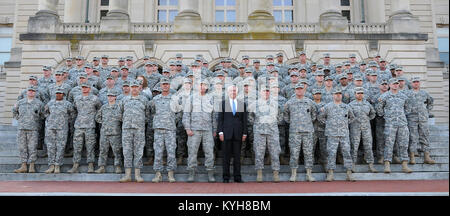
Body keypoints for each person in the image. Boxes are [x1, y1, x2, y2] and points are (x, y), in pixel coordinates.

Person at [183, 79, 217, 183]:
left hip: (208, 130)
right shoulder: (191, 98)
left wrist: (215, 129)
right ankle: (191, 172)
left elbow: (214, 115)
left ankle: (210, 172)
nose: (202, 87)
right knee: (192, 152)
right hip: (194, 130)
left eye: (204, 85)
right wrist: (187, 128)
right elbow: (186, 114)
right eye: (200, 85)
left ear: (207, 87)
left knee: (209, 152)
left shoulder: (211, 98)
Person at [376, 78, 413, 173]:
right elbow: (379, 108)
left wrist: (401, 115)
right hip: (390, 124)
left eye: (397, 83)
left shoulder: (403, 96)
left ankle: (404, 164)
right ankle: (387, 164)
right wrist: (386, 116)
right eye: (393, 84)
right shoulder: (384, 96)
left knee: (404, 144)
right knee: (388, 144)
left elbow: (408, 108)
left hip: (402, 123)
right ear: (389, 85)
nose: (396, 85)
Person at [319, 87, 356, 182]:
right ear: (333, 95)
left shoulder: (346, 107)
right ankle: (330, 173)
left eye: (339, 94)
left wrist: (344, 124)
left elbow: (352, 118)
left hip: (344, 134)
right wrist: (329, 124)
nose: (338, 95)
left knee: (347, 152)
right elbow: (320, 117)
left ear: (341, 95)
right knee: (331, 153)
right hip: (332, 134)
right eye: (336, 94)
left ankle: (349, 172)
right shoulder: (328, 107)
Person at [150, 78, 182, 183]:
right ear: (160, 86)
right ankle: (158, 174)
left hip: (170, 129)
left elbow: (179, 112)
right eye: (163, 84)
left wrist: (173, 120)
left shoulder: (175, 98)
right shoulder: (155, 99)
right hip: (158, 129)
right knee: (158, 152)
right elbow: (151, 112)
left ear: (169, 86)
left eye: (167, 84)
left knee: (171, 152)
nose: (165, 86)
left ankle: (170, 174)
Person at [284, 83, 317, 182]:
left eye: (301, 89)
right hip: (295, 132)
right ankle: (293, 173)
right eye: (297, 89)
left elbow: (314, 115)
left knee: (308, 153)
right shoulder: (289, 103)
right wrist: (294, 123)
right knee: (294, 153)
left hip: (307, 131)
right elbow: (286, 116)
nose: (299, 90)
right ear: (295, 90)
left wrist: (306, 123)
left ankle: (309, 173)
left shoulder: (310, 102)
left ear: (304, 90)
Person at [119, 81, 150, 183]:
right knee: (127, 151)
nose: (134, 89)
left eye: (136, 87)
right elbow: (120, 114)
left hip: (139, 130)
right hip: (127, 129)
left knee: (139, 151)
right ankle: (127, 175)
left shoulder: (144, 100)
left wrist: (139, 123)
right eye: (133, 87)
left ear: (140, 88)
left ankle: (137, 175)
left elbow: (147, 115)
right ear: (130, 88)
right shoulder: (124, 100)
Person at [68, 83, 102, 173]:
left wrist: (95, 118)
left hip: (90, 126)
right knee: (77, 147)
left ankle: (90, 165)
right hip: (78, 126)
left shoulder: (95, 99)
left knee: (90, 146)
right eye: (83, 87)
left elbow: (100, 109)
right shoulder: (77, 98)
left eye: (86, 87)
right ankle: (75, 165)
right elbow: (74, 110)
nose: (84, 89)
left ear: (90, 88)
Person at [217, 85, 248, 183]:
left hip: (238, 134)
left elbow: (244, 120)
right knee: (226, 157)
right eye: (231, 91)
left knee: (237, 157)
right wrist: (220, 132)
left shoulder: (242, 104)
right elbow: (220, 119)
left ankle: (237, 177)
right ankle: (226, 177)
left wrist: (245, 133)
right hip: (226, 133)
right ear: (228, 92)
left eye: (234, 91)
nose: (233, 92)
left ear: (237, 92)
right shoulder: (223, 104)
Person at [250, 86, 281, 183]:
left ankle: (276, 173)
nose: (266, 93)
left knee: (275, 153)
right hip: (259, 132)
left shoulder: (275, 104)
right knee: (259, 153)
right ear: (260, 92)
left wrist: (273, 124)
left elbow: (280, 116)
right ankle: (259, 173)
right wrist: (257, 124)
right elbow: (250, 117)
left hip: (272, 132)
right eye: (264, 91)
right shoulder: (255, 104)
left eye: (268, 91)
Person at [12, 86, 44, 173]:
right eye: (29, 91)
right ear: (26, 92)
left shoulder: (39, 103)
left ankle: (32, 166)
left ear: (35, 93)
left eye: (33, 91)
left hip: (33, 129)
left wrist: (36, 121)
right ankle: (23, 165)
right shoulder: (20, 102)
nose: (31, 92)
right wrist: (20, 119)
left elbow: (42, 115)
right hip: (22, 128)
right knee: (22, 147)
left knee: (32, 147)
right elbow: (14, 111)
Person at [43, 88, 75, 174]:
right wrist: (49, 119)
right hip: (50, 128)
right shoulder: (50, 103)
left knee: (60, 147)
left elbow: (72, 114)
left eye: (60, 93)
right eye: (57, 93)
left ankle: (57, 165)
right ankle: (51, 165)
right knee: (50, 147)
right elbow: (45, 112)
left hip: (62, 128)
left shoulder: (67, 104)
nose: (58, 95)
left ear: (63, 94)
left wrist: (64, 120)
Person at [405, 77, 436, 164]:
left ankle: (427, 156)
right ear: (411, 83)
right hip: (411, 118)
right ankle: (412, 156)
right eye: (414, 82)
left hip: (423, 119)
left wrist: (426, 111)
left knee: (425, 136)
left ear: (419, 83)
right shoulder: (407, 93)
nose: (416, 83)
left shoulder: (424, 93)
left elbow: (430, 102)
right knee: (412, 137)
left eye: (417, 82)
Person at [348, 87, 377, 173]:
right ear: (355, 94)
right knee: (354, 146)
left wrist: (367, 120)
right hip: (355, 128)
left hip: (366, 128)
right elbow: (348, 116)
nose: (360, 95)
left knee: (368, 146)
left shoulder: (367, 104)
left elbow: (373, 113)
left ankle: (370, 164)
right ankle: (352, 164)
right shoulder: (351, 105)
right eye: (358, 93)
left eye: (361, 93)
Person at [94, 89, 123, 174]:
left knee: (117, 151)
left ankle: (118, 166)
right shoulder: (104, 107)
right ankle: (102, 167)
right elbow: (97, 117)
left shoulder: (119, 107)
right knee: (103, 150)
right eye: (109, 96)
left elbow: (122, 118)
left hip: (115, 132)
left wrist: (115, 123)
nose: (110, 97)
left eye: (112, 96)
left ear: (115, 97)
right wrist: (105, 123)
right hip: (105, 132)